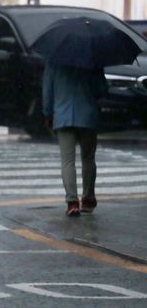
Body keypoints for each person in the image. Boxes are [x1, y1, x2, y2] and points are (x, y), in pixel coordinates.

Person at [42, 63, 108, 217]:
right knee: (88, 158)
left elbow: (47, 91)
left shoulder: (53, 61)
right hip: (87, 115)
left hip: (62, 115)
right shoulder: (93, 61)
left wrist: (47, 113)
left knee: (67, 161)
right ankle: (88, 199)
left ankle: (72, 202)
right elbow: (102, 89)